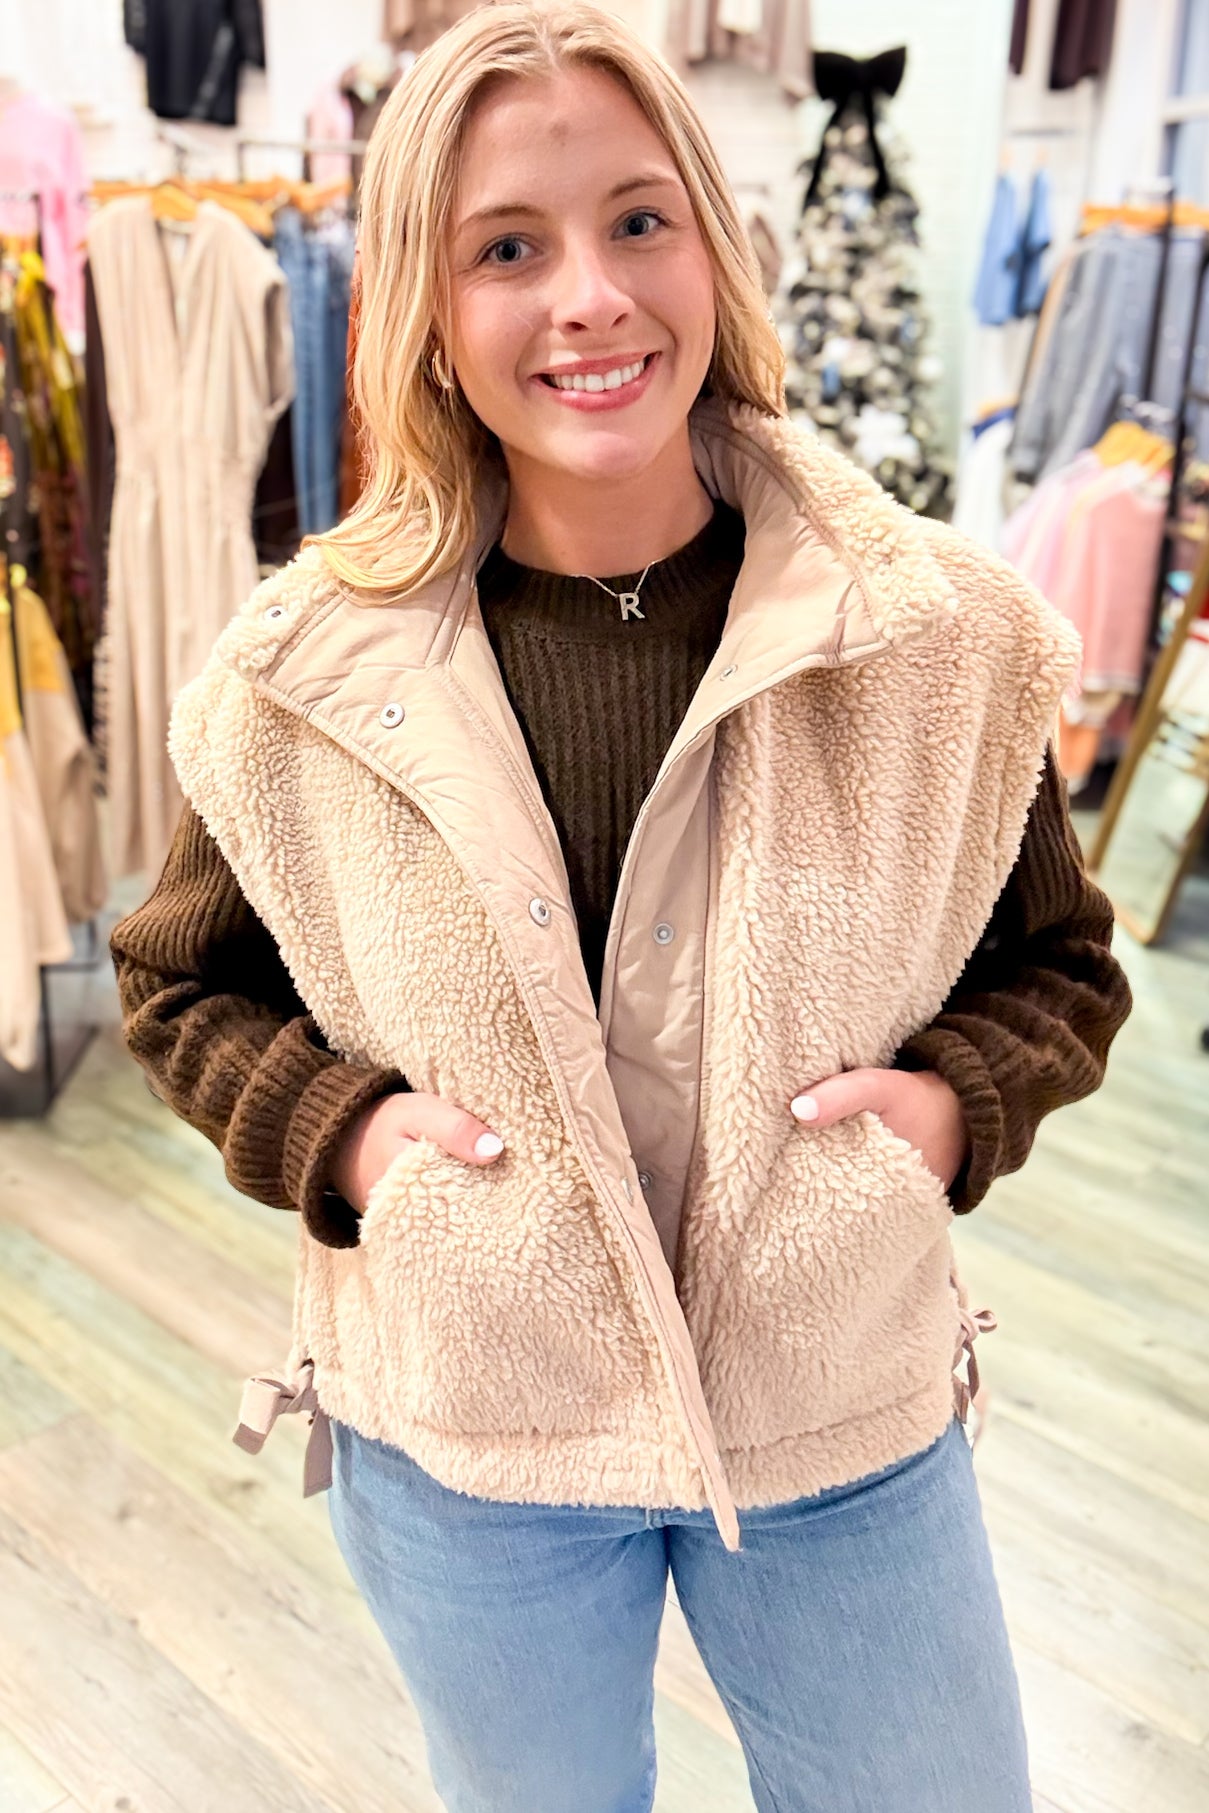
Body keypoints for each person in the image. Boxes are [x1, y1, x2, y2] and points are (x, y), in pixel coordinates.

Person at [111, 6, 1131, 1808]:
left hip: (837, 1395)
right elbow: (180, 983)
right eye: (507, 248)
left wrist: (944, 1109)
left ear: (715, 250)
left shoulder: (932, 634)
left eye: (638, 221)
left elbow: (1056, 957)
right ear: (424, 307)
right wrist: (352, 1142)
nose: (590, 297)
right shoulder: (297, 678)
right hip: (471, 1422)